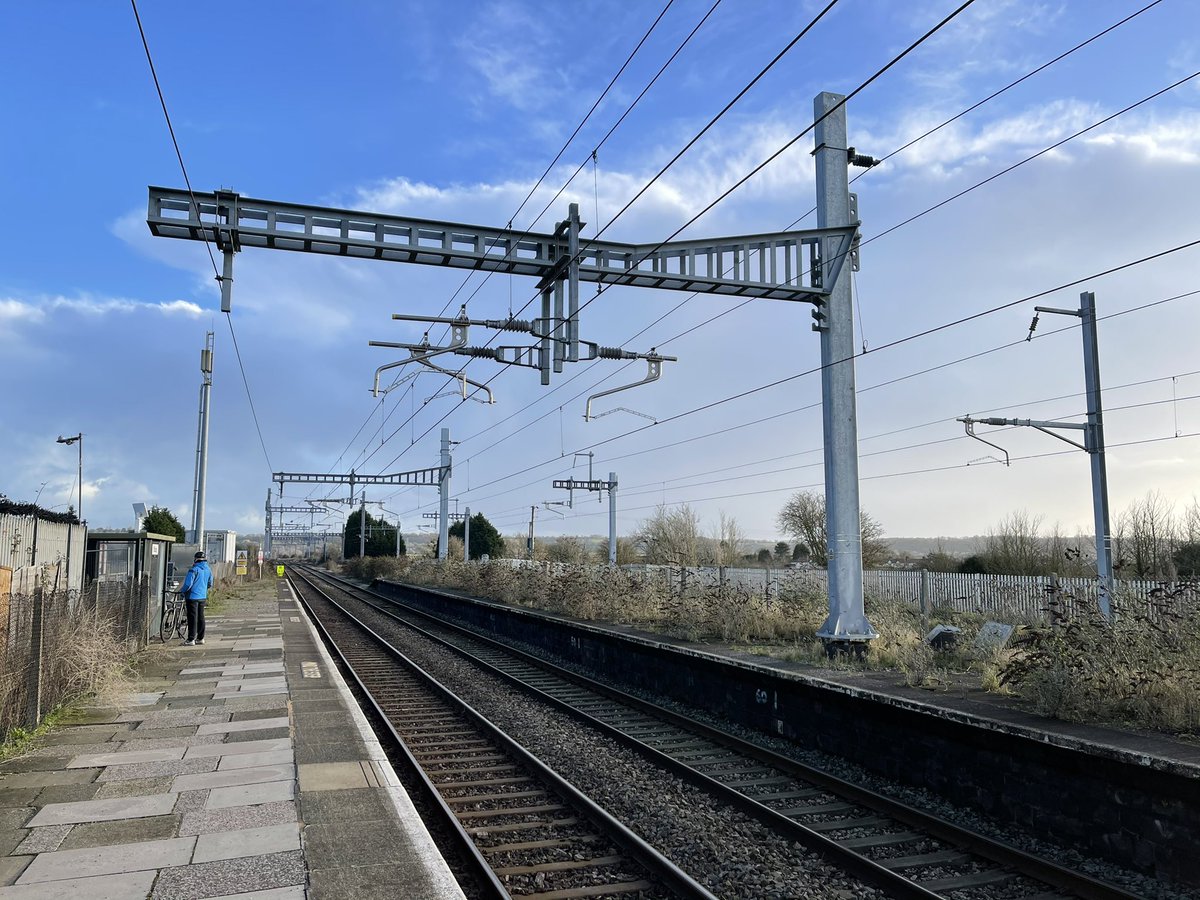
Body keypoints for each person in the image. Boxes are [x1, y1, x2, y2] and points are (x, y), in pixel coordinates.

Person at [180, 550, 214, 646]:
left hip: (192, 597)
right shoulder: (208, 569)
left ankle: (191, 639)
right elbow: (210, 583)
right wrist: (203, 589)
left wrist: (182, 591)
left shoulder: (194, 569)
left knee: (192, 618)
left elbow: (188, 584)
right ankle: (200, 638)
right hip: (202, 596)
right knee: (201, 617)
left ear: (195, 559)